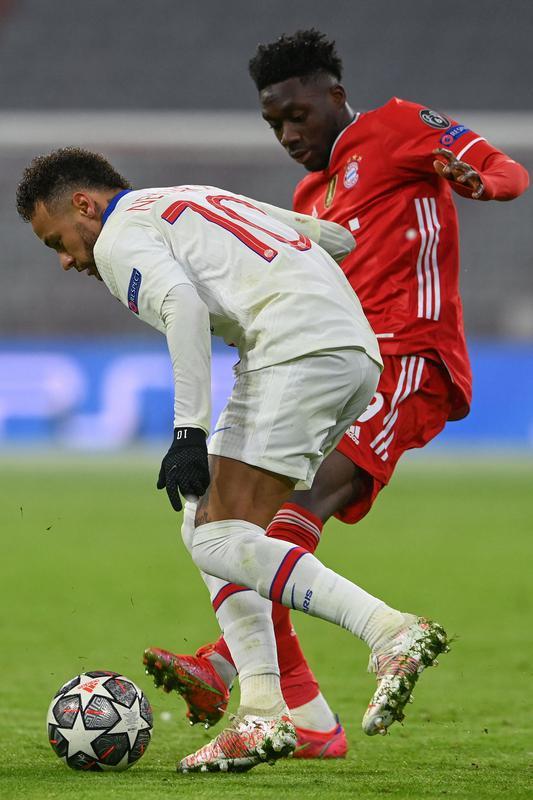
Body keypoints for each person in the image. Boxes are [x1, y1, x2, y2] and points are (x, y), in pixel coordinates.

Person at [145, 29, 530, 760]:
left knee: (285, 513)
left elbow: (505, 171)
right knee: (224, 521)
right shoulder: (306, 197)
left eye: (297, 115)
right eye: (274, 124)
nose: (289, 134)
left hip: (410, 358)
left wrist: (480, 181)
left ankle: (230, 665)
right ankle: (311, 721)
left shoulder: (395, 127)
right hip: (335, 372)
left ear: (334, 95)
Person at [17, 147, 450, 773]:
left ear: (84, 205)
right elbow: (328, 236)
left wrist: (187, 433)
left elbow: (184, 309)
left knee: (217, 536)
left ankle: (389, 632)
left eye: (57, 239)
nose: (65, 260)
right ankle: (274, 712)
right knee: (204, 521)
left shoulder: (117, 238)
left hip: (294, 348)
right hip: (351, 352)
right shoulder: (185, 197)